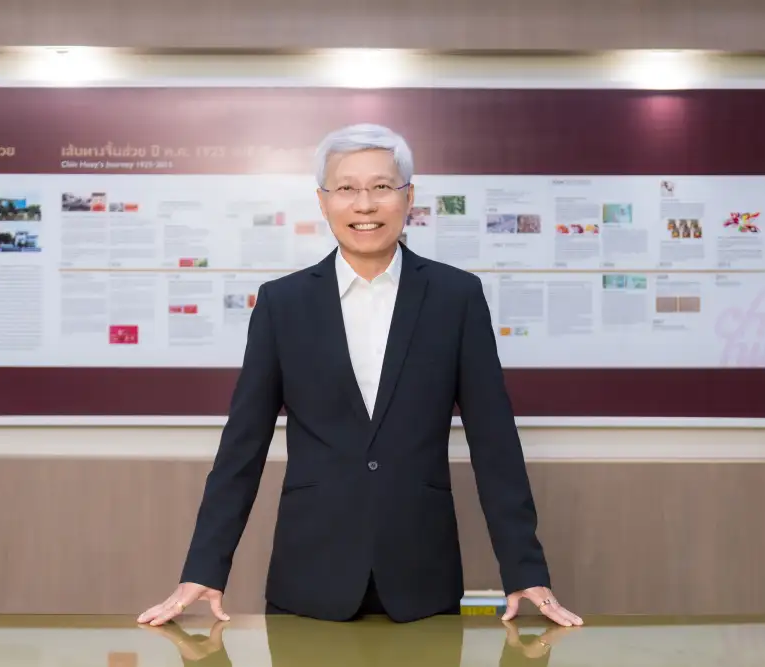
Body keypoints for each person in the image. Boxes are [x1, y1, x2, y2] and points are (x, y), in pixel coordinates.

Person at [137, 123, 582, 628]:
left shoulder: (456, 297)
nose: (365, 205)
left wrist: (525, 569)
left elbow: (494, 442)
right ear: (323, 201)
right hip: (308, 578)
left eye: (382, 187)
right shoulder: (283, 304)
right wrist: (204, 568)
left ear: (408, 197)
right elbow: (242, 448)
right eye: (346, 188)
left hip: (423, 579)